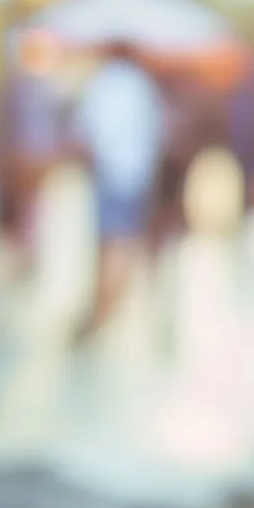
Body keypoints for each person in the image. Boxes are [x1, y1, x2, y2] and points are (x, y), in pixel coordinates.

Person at [70, 43, 166, 337]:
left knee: (109, 241)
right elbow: (156, 132)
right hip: (137, 175)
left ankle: (104, 309)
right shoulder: (142, 86)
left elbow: (85, 131)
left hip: (110, 172)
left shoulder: (103, 84)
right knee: (125, 239)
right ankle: (110, 305)